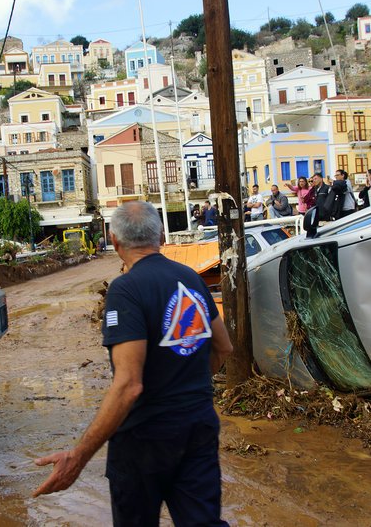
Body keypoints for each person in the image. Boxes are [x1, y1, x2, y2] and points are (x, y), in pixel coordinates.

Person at [32, 201, 234, 527]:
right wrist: (184, 387)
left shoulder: (125, 290)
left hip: (144, 439)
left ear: (114, 242)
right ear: (162, 236)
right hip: (198, 427)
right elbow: (223, 347)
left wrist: (78, 457)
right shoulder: (191, 279)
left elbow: (129, 385)